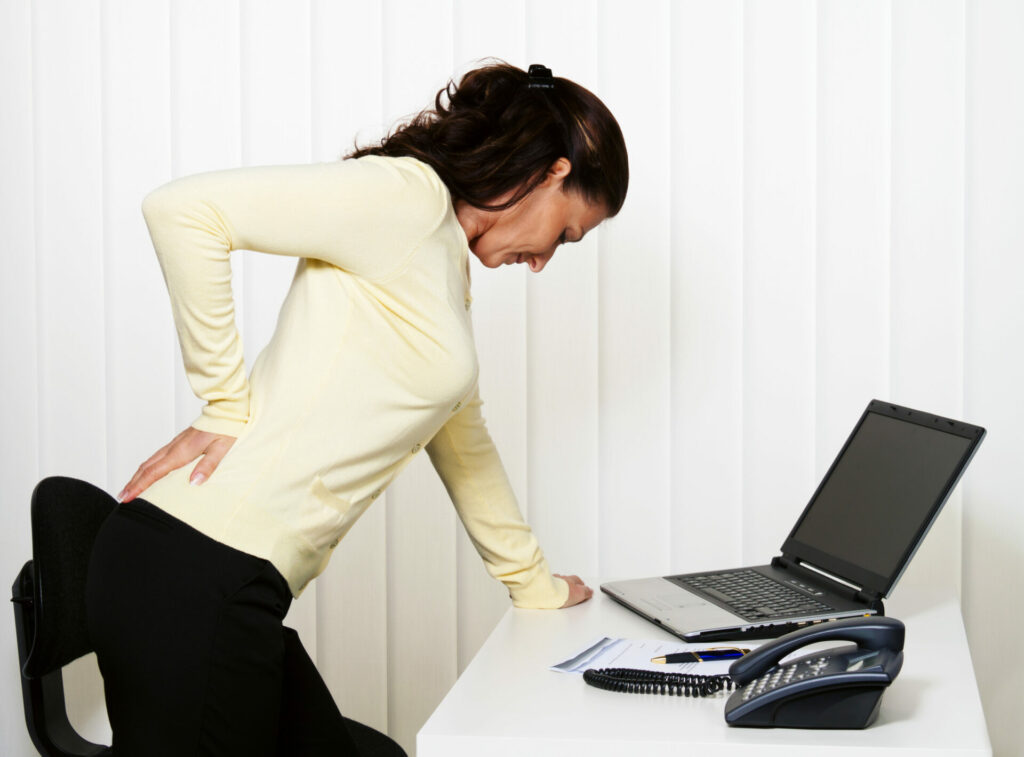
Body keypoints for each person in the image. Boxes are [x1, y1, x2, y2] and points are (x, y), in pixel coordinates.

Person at [84, 60, 628, 756]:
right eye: (567, 233)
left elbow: (464, 442)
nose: (547, 260)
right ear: (552, 173)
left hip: (223, 581)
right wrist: (222, 403)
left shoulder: (442, 262)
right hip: (192, 574)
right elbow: (184, 210)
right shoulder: (405, 199)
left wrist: (534, 585)